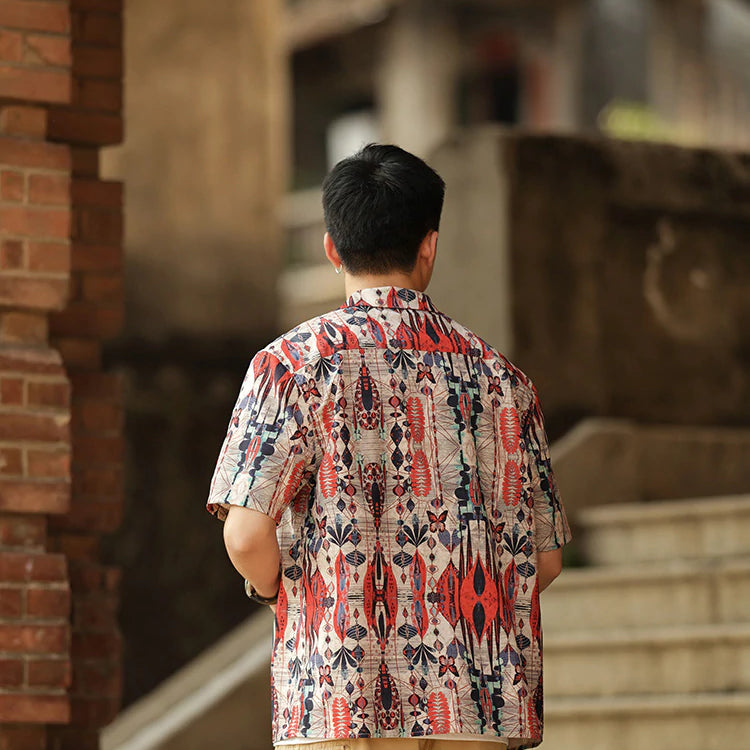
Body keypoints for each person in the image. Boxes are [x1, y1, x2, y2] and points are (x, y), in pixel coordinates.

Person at [207, 144, 572, 750]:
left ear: (332, 248)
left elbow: (246, 537)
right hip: (478, 709)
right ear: (430, 245)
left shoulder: (290, 365)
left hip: (342, 701)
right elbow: (546, 559)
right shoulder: (503, 380)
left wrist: (279, 593)